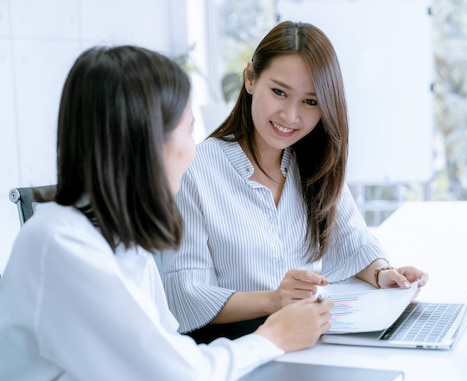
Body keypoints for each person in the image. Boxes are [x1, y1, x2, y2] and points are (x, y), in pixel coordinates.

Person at [0, 45, 333, 381]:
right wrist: (272, 339)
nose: (193, 151)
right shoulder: (59, 246)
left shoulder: (124, 243)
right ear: (145, 140)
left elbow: (170, 351)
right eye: (189, 130)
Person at [161, 20, 429, 344]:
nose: (290, 116)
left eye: (310, 102)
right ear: (249, 79)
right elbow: (185, 296)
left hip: (306, 343)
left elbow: (352, 240)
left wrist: (383, 273)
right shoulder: (194, 169)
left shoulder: (313, 162)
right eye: (279, 92)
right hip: (235, 349)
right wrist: (274, 300)